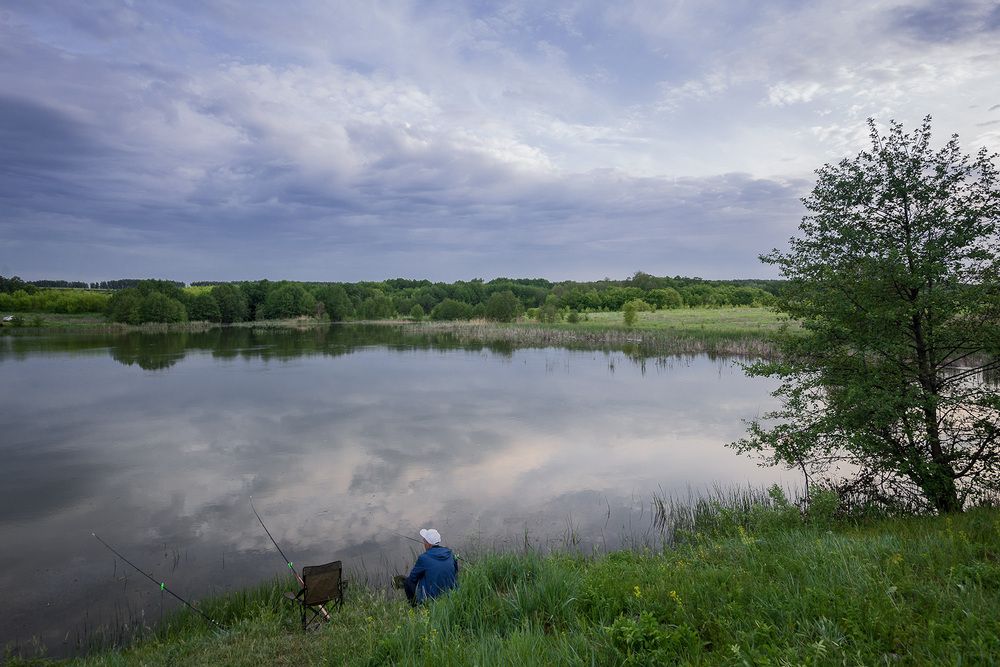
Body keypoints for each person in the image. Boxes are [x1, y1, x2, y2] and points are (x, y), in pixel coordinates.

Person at [401, 528, 458, 605]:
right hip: (453, 592)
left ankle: (414, 605)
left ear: (429, 544)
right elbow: (455, 571)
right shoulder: (449, 553)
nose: (424, 543)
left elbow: (412, 578)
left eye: (424, 541)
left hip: (433, 598)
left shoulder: (424, 558)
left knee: (407, 582)